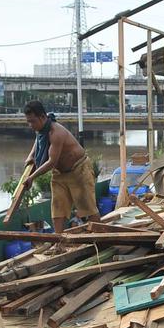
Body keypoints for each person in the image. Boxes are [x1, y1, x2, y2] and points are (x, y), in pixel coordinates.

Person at [22, 100, 100, 233]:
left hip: (78, 170)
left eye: (33, 121)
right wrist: (31, 156)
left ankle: (101, 238)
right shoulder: (41, 130)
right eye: (28, 122)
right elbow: (38, 141)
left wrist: (32, 177)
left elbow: (51, 161)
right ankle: (59, 242)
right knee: (57, 208)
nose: (31, 125)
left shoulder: (55, 132)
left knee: (87, 207)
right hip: (59, 173)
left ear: (42, 117)